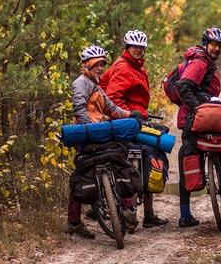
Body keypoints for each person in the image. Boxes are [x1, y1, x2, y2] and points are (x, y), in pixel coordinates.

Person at [65, 45, 142, 238]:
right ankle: (74, 222)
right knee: (81, 173)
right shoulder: (81, 83)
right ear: (86, 65)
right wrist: (90, 128)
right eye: (96, 64)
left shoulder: (97, 85)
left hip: (99, 132)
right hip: (88, 134)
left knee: (119, 162)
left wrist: (128, 114)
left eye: (102, 64)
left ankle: (128, 210)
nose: (100, 68)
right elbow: (79, 109)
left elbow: (110, 107)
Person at [99, 29, 169, 229]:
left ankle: (148, 214)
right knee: (151, 151)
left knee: (159, 140)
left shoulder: (134, 66)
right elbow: (113, 99)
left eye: (141, 47)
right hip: (126, 122)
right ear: (127, 47)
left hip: (132, 118)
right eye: (134, 47)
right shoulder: (124, 67)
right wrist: (130, 114)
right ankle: (143, 213)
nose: (138, 50)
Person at [176, 27, 221, 227]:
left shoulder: (205, 61)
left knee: (190, 153)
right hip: (196, 118)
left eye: (220, 45)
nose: (217, 48)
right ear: (205, 44)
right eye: (214, 44)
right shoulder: (199, 62)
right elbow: (183, 86)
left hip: (198, 116)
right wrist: (200, 108)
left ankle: (185, 214)